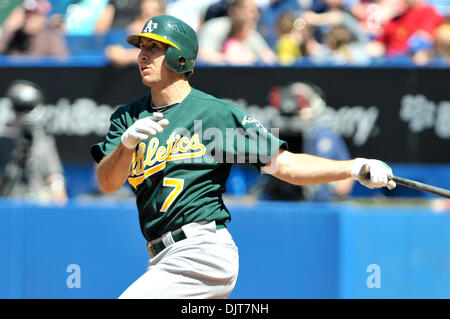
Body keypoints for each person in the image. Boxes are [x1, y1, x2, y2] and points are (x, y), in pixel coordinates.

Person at [91, 14, 396, 299]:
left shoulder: (213, 114)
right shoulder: (128, 117)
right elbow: (107, 182)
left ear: (179, 57)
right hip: (161, 257)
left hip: (201, 251)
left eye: (154, 48)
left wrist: (355, 167)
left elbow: (284, 165)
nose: (142, 55)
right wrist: (125, 145)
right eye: (142, 47)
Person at [0, 80, 68, 206]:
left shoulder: (43, 139)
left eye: (28, 109)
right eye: (21, 109)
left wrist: (59, 203)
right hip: (8, 208)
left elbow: (55, 179)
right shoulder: (3, 140)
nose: (24, 115)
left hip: (37, 209)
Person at [197, 0, 276, 65]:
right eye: (249, 10)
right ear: (233, 10)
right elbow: (203, 54)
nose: (254, 15)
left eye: (255, 11)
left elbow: (268, 56)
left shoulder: (251, 33)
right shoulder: (216, 26)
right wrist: (233, 59)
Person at [0, 0, 68, 56]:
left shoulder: (50, 36)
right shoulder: (14, 35)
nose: (29, 17)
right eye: (27, 13)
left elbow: (61, 64)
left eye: (34, 13)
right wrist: (9, 28)